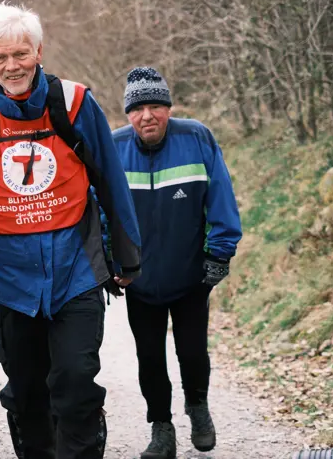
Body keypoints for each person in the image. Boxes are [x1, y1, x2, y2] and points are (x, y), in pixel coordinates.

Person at [0, 3, 142, 459]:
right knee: (27, 393)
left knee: (74, 383)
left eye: (21, 54)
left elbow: (110, 180)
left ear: (39, 50)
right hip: (10, 284)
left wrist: (126, 258)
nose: (12, 66)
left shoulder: (74, 103)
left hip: (77, 275)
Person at [111, 67, 242, 458]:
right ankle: (161, 427)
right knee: (149, 356)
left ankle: (198, 408)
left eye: (155, 106)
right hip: (138, 280)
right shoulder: (115, 148)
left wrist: (219, 253)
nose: (146, 116)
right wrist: (109, 260)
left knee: (192, 351)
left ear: (168, 108)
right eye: (137, 109)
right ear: (127, 114)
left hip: (190, 276)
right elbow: (102, 211)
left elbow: (220, 197)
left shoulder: (196, 137)